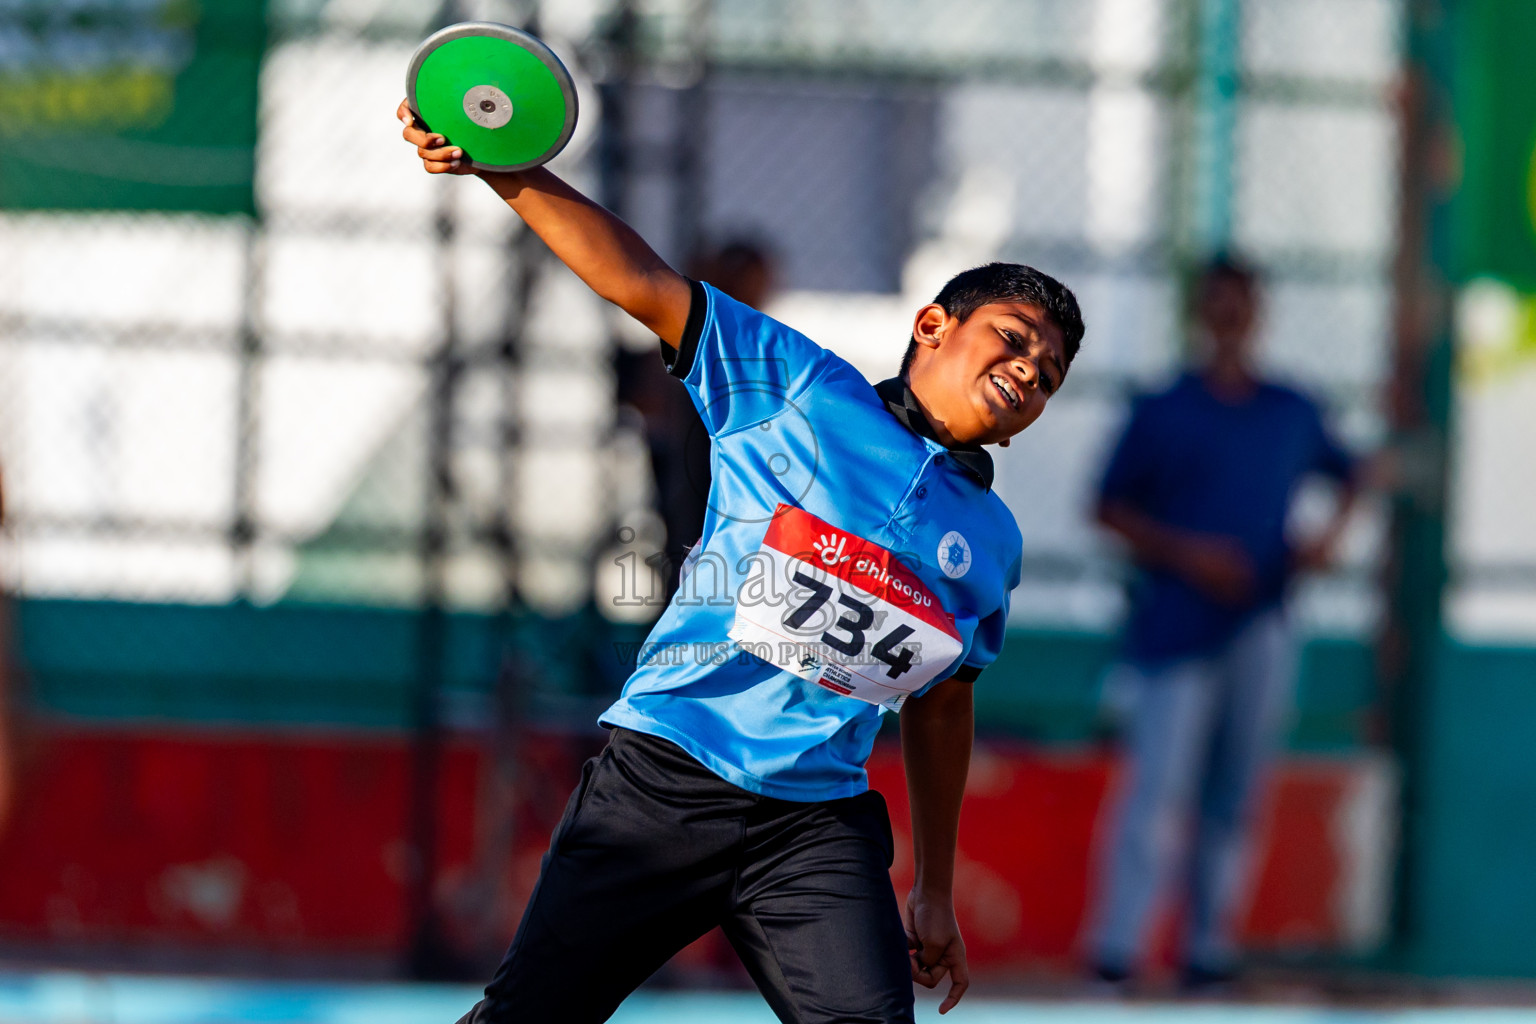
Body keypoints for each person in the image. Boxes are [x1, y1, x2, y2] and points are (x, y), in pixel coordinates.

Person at [399, 101, 1084, 1022]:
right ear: (932, 325)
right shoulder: (795, 385)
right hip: (665, 780)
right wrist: (499, 167)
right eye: (1014, 336)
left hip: (815, 825)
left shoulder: (992, 543)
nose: (1030, 370)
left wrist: (933, 890)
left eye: (1050, 375)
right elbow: (639, 280)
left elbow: (943, 703)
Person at [1087, 256, 1359, 991]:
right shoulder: (1164, 408)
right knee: (1157, 790)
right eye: (1218, 303)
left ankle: (1208, 950)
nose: (1230, 317)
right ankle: (1117, 951)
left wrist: (1325, 541)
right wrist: (1188, 554)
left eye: (1241, 303)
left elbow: (1353, 473)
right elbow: (1107, 507)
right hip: (1174, 628)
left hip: (1262, 623)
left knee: (1236, 793)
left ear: (1259, 312)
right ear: (1199, 313)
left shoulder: (1290, 409)